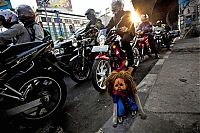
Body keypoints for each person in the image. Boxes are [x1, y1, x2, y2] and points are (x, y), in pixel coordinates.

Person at [106, 0, 135, 66]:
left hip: (129, 32)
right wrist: (103, 30)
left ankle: (131, 61)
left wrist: (127, 28)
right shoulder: (113, 17)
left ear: (121, 6)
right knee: (109, 41)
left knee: (124, 41)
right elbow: (109, 26)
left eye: (117, 5)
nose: (115, 7)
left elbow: (129, 21)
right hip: (118, 33)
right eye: (114, 5)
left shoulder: (127, 13)